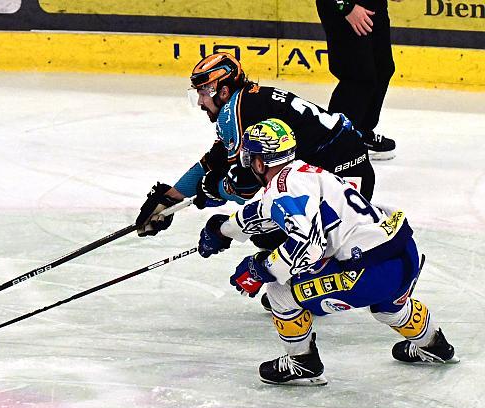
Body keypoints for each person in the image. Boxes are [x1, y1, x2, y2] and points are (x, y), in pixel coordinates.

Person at [197, 118, 458, 385]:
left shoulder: (283, 189)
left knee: (280, 292)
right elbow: (265, 210)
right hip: (403, 251)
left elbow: (307, 246)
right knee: (390, 309)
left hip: (370, 272)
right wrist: (224, 229)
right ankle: (435, 345)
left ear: (260, 162)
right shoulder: (305, 172)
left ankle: (303, 362)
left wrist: (260, 267)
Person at [136, 52, 374, 244]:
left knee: (275, 237)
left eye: (203, 93)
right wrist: (170, 198)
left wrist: (210, 192)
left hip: (343, 175)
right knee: (272, 231)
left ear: (224, 90)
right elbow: (214, 160)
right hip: (349, 166)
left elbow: (244, 186)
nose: (200, 102)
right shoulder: (246, 103)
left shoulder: (234, 112)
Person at [316, 0, 398, 160]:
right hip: (344, 8)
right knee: (357, 76)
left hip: (373, 5)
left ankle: (360, 134)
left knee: (383, 68)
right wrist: (346, 7)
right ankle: (334, 143)